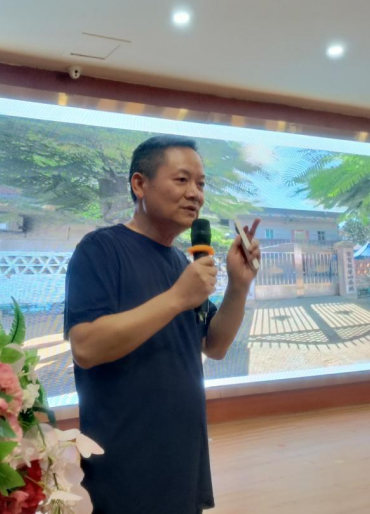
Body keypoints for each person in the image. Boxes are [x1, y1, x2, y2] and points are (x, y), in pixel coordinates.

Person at [64, 135, 261, 514]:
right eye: (182, 179)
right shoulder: (101, 249)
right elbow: (86, 347)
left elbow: (215, 346)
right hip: (125, 462)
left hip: (183, 455)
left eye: (201, 183)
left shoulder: (180, 264)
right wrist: (176, 298)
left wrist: (239, 285)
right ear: (140, 184)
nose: (195, 194)